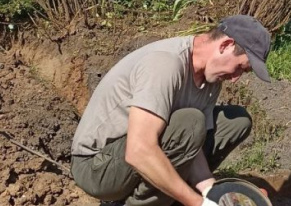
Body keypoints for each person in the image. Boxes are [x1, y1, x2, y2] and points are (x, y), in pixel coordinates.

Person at [70, 15, 273, 206]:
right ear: (225, 45)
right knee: (190, 121)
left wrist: (213, 194)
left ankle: (169, 193)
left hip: (132, 158)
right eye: (240, 67)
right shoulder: (165, 64)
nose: (236, 78)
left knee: (236, 121)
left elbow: (193, 147)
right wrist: (198, 203)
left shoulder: (210, 81)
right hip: (97, 167)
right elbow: (138, 151)